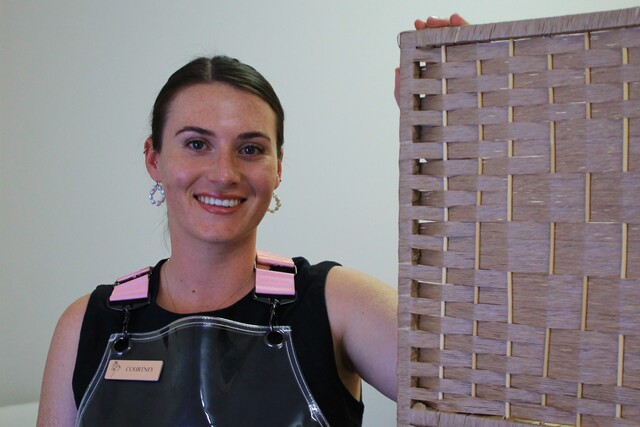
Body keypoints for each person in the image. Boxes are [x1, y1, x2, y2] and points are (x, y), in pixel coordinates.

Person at [37, 14, 466, 427]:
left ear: (278, 167)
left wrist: (464, 128)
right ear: (154, 159)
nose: (224, 174)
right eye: (197, 144)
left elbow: (479, 391)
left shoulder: (337, 304)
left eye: (250, 149)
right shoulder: (85, 325)